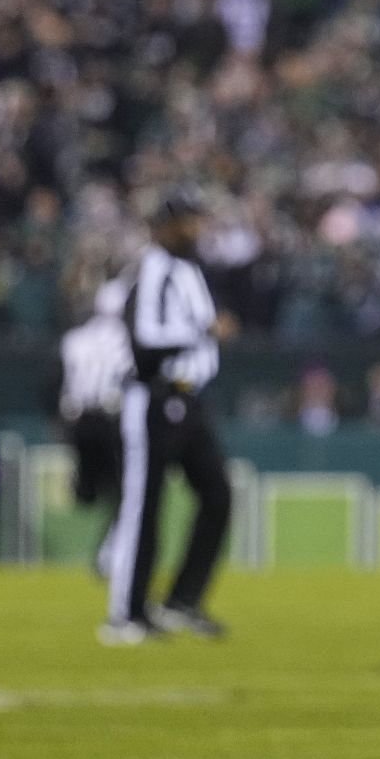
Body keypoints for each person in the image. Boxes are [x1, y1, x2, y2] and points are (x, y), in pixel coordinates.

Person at [103, 190, 233, 645]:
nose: (194, 230)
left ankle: (181, 600)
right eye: (185, 222)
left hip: (190, 400)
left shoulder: (188, 272)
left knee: (217, 494)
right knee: (145, 508)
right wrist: (202, 331)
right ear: (162, 227)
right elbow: (145, 339)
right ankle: (126, 614)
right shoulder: (151, 271)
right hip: (154, 397)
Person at [57, 281, 133, 570]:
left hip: (78, 421)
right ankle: (110, 552)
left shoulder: (75, 339)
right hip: (113, 421)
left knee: (92, 493)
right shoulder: (126, 340)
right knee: (126, 492)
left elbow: (61, 384)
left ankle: (83, 487)